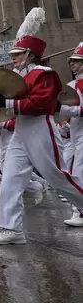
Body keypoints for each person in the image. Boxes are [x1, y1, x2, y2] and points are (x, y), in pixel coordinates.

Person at [0, 7, 83, 243]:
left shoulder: (45, 73)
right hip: (21, 129)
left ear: (31, 54)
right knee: (10, 178)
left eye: (18, 54)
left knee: (57, 177)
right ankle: (12, 229)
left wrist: (8, 103)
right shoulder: (17, 77)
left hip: (41, 127)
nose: (13, 58)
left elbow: (40, 103)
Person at [54, 41, 83, 226]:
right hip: (75, 132)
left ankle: (79, 211)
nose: (72, 64)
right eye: (71, 61)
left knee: (78, 169)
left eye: (76, 61)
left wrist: (66, 110)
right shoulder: (71, 84)